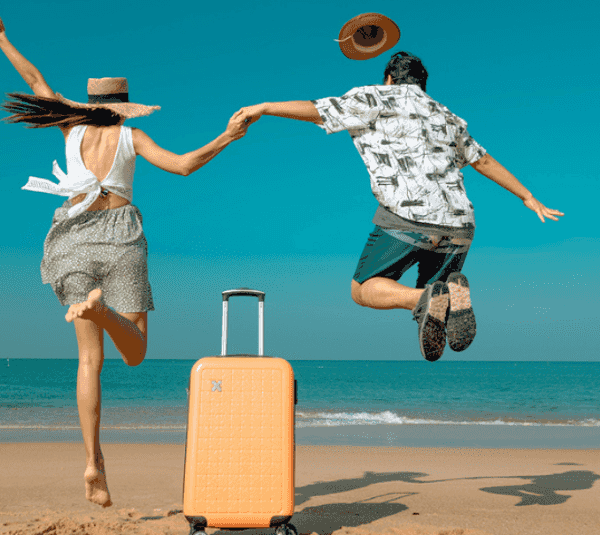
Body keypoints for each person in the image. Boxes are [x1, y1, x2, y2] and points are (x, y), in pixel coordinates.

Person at [0, 1, 250, 507]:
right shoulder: (131, 134)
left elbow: (34, 78)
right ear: (125, 106)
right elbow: (185, 165)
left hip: (72, 237)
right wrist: (227, 137)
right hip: (120, 236)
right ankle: (102, 309)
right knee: (137, 353)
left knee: (88, 361)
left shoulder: (70, 129)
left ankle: (93, 462)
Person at [235, 50, 562, 361]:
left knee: (363, 289)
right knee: (436, 298)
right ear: (422, 83)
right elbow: (483, 160)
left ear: (389, 78)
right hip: (461, 226)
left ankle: (421, 299)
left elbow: (318, 109)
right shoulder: (447, 116)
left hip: (407, 218)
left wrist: (263, 107)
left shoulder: (374, 96)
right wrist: (527, 196)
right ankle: (438, 296)